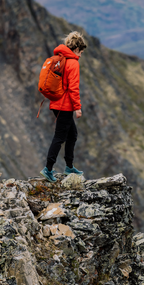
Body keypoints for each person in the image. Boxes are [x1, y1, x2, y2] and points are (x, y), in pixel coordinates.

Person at [40, 31, 87, 183]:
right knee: (60, 137)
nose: (80, 55)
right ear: (76, 49)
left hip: (56, 104)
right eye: (80, 52)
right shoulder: (73, 63)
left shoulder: (61, 59)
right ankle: (48, 169)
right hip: (65, 106)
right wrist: (78, 108)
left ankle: (69, 166)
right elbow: (73, 88)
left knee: (72, 134)